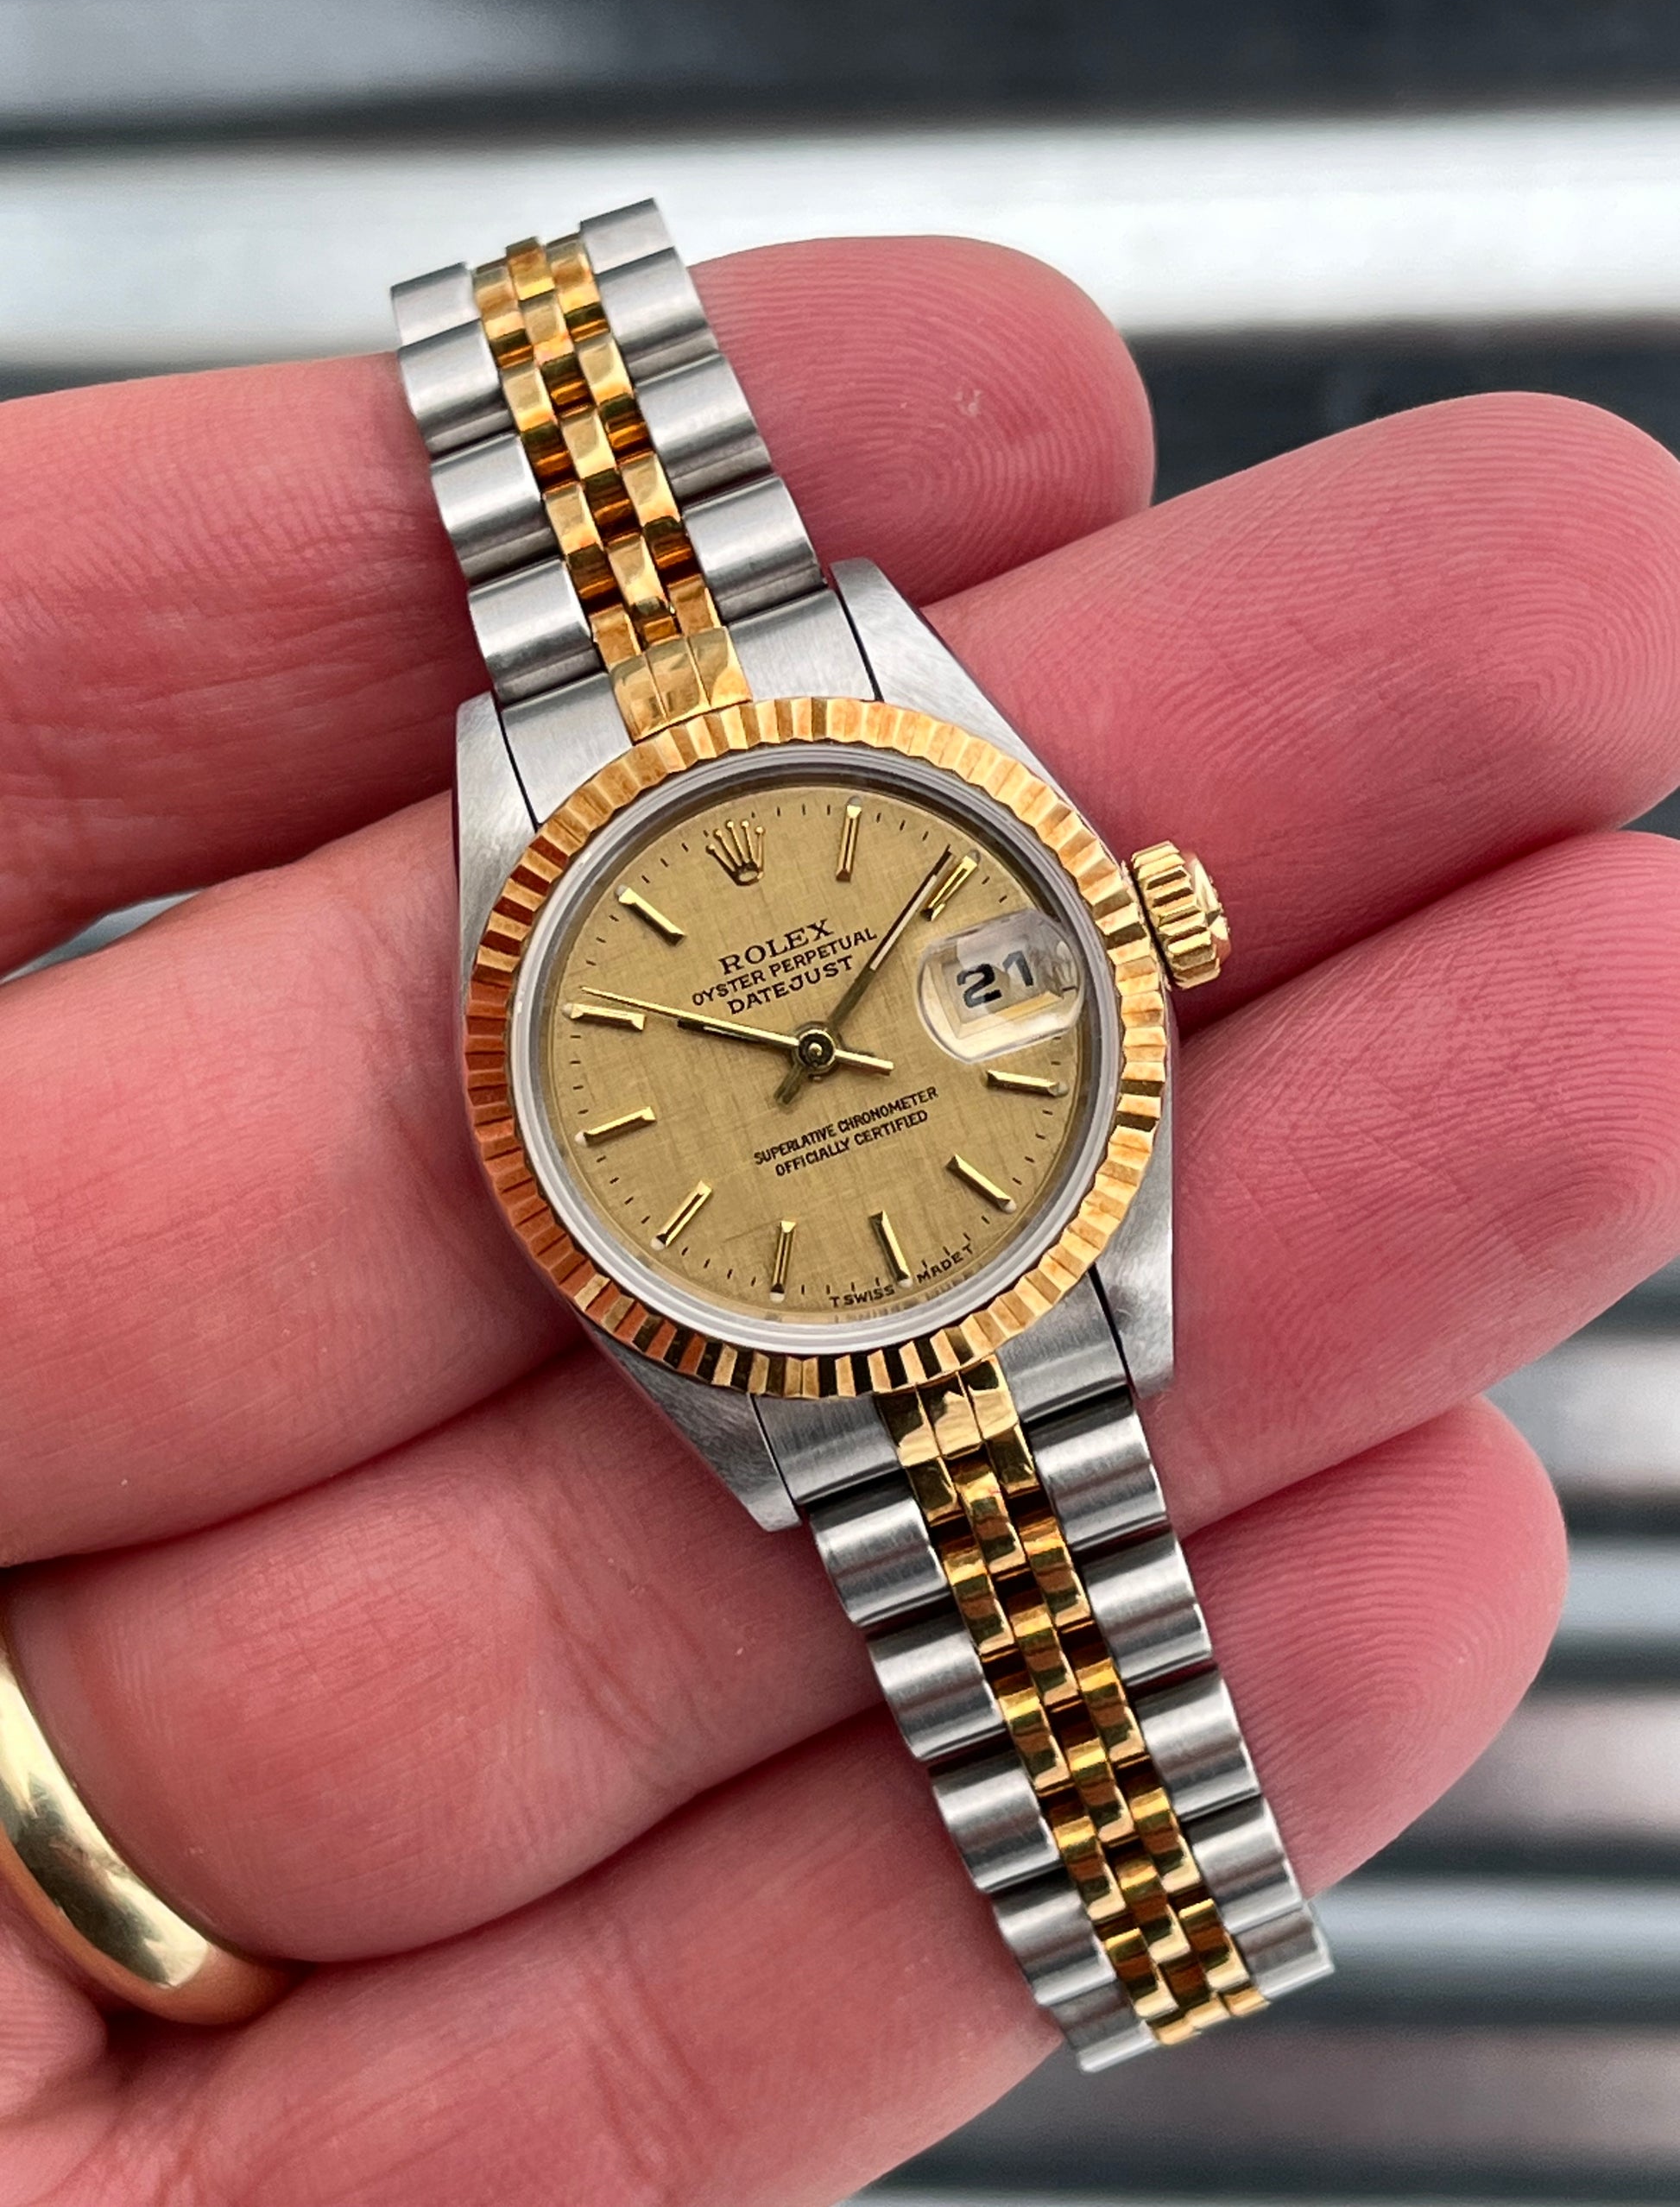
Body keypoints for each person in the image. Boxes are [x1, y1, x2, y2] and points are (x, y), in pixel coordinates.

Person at [0, 231, 1675, 2204]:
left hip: (900, 1241)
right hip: (799, 1275)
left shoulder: (891, 745)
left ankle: (1155, 1915)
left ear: (1132, 923)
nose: (813, 1055)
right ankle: (1147, 1917)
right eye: (784, 1046)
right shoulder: (638, 849)